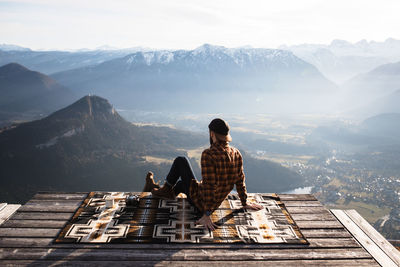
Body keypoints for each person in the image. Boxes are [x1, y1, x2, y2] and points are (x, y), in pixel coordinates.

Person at [146, 118, 263, 231]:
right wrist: (244, 202)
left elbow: (209, 186)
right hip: (214, 203)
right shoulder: (236, 153)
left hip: (202, 204)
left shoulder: (209, 154)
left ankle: (164, 190)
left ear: (212, 134)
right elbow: (240, 181)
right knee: (182, 184)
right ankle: (165, 192)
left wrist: (206, 214)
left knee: (181, 161)